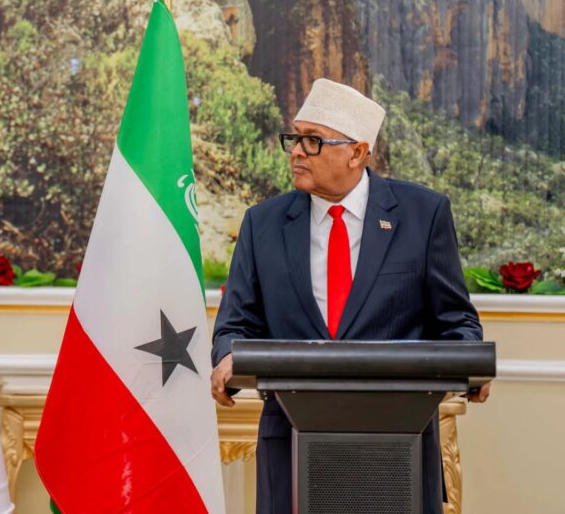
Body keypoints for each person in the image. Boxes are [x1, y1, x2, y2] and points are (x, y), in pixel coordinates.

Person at [209, 78, 490, 514]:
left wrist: (470, 362)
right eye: (294, 138)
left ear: (358, 153)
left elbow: (457, 320)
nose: (297, 151)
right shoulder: (262, 224)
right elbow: (236, 323)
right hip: (291, 450)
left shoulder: (423, 215)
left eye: (313, 141)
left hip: (396, 450)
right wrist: (228, 354)